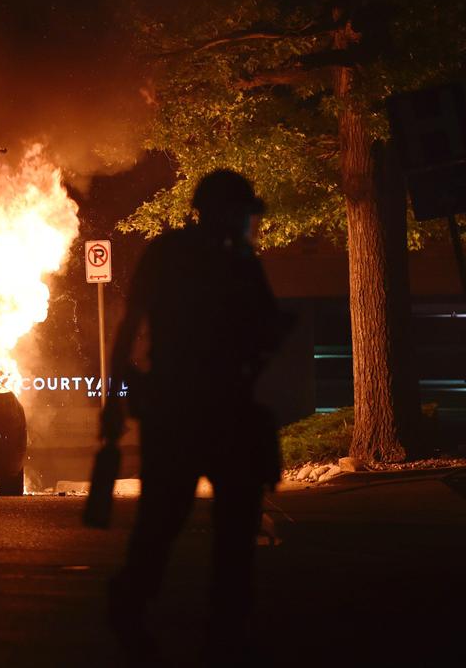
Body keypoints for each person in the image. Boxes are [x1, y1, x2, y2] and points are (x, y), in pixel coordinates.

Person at [102, 170, 290, 663]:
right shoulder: (228, 260)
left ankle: (149, 606)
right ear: (221, 211)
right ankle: (208, 623)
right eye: (240, 212)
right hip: (200, 410)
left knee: (179, 521)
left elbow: (128, 331)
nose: (247, 222)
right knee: (199, 522)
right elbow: (266, 329)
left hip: (189, 410)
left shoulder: (178, 255)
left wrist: (114, 400)